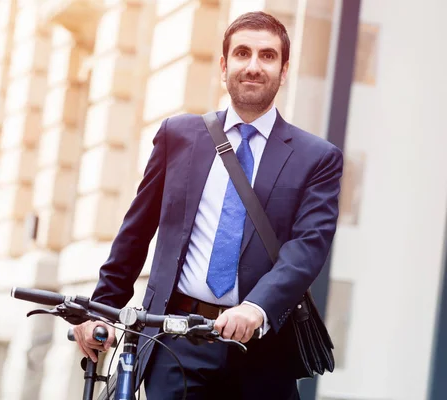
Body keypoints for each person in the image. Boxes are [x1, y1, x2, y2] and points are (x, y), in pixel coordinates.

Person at [73, 10, 343, 400]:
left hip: (262, 352)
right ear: (224, 65)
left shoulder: (316, 157)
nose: (253, 66)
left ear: (284, 70)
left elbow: (307, 248)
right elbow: (135, 232)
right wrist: (102, 308)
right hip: (174, 340)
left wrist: (257, 307)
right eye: (242, 53)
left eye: (267, 56)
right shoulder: (178, 136)